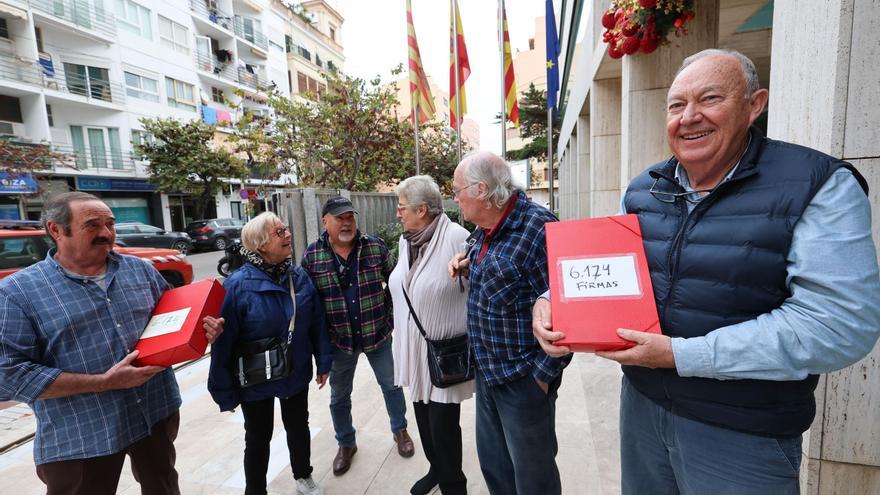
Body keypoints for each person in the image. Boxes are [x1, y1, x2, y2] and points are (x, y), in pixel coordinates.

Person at [532, 49, 880, 494]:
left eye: (710, 99)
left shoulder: (816, 184)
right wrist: (551, 300)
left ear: (755, 105)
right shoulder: (645, 188)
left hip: (742, 433)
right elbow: (606, 268)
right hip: (643, 412)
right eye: (677, 105)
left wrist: (682, 354)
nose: (689, 117)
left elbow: (838, 325)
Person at [0, 191, 224, 495]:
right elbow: (9, 375)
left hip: (154, 411)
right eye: (92, 225)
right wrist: (104, 382)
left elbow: (172, 322)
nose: (106, 233)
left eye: (111, 224)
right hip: (82, 430)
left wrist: (201, 330)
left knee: (163, 486)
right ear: (55, 230)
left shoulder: (141, 270)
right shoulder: (16, 293)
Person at [446, 152, 570, 495]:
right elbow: (503, 275)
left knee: (534, 478)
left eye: (458, 191)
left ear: (482, 190)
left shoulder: (540, 228)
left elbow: (566, 306)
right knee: (495, 468)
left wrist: (541, 379)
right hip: (487, 371)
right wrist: (467, 263)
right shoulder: (484, 229)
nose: (455, 198)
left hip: (523, 380)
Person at [208, 212, 332, 495]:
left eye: (286, 229)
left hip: (295, 368)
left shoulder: (298, 277)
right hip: (256, 376)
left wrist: (324, 361)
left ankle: (303, 476)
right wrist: (224, 392)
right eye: (279, 232)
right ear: (260, 244)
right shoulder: (238, 285)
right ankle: (255, 490)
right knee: (257, 436)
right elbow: (223, 343)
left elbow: (316, 323)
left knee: (299, 426)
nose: (288, 235)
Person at [301, 196, 414, 476]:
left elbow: (398, 281)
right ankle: (346, 443)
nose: (346, 223)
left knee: (391, 386)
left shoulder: (374, 247)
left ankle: (400, 431)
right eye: (339, 218)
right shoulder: (312, 256)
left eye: (350, 217)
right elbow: (307, 304)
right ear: (325, 221)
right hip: (340, 341)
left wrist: (392, 316)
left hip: (377, 334)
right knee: (340, 396)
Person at [389, 176, 473, 495]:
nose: (398, 214)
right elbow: (405, 285)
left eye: (402, 208)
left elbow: (476, 289)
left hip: (444, 353)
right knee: (423, 419)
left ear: (422, 209)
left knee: (444, 426)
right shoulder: (406, 240)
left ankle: (454, 484)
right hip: (413, 350)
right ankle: (435, 469)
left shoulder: (457, 237)